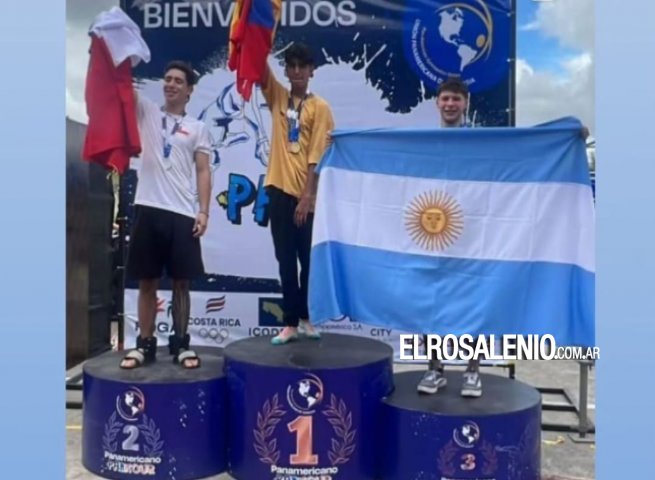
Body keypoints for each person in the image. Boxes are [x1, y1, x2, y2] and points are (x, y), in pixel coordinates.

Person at [120, 60, 212, 369]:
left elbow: (203, 170)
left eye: (177, 81)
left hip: (182, 213)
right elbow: (124, 86)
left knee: (181, 284)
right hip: (148, 207)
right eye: (167, 78)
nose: (170, 84)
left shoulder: (198, 128)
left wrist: (203, 211)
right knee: (147, 283)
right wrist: (118, 50)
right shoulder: (148, 111)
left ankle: (181, 344)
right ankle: (144, 344)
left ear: (189, 90)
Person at [258, 43, 335, 345]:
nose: (298, 71)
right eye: (292, 66)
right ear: (287, 70)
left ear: (312, 71)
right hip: (278, 191)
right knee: (285, 261)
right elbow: (260, 70)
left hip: (308, 196)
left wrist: (308, 196)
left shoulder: (321, 107)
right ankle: (290, 322)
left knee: (309, 261)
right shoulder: (278, 97)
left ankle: (307, 318)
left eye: (304, 66)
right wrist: (255, 33)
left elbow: (318, 154)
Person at [416, 77, 482, 397]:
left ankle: (472, 371)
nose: (450, 104)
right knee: (434, 300)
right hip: (434, 233)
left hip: (470, 235)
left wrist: (570, 136)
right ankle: (435, 368)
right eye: (445, 99)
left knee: (474, 300)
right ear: (437, 103)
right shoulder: (425, 143)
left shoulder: (479, 145)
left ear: (465, 103)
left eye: (456, 99)